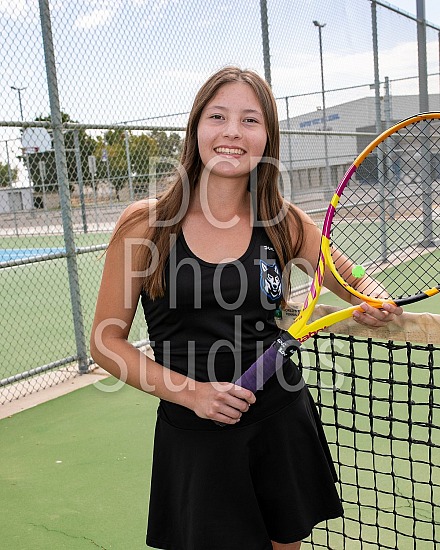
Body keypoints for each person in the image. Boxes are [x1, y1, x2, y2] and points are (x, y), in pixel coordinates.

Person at [90, 66, 402, 550]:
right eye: (218, 116)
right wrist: (193, 394)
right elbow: (105, 343)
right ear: (196, 129)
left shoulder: (283, 222)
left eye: (250, 120)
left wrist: (372, 296)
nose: (232, 131)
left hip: (279, 420)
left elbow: (349, 278)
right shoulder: (145, 226)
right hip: (194, 433)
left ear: (267, 137)